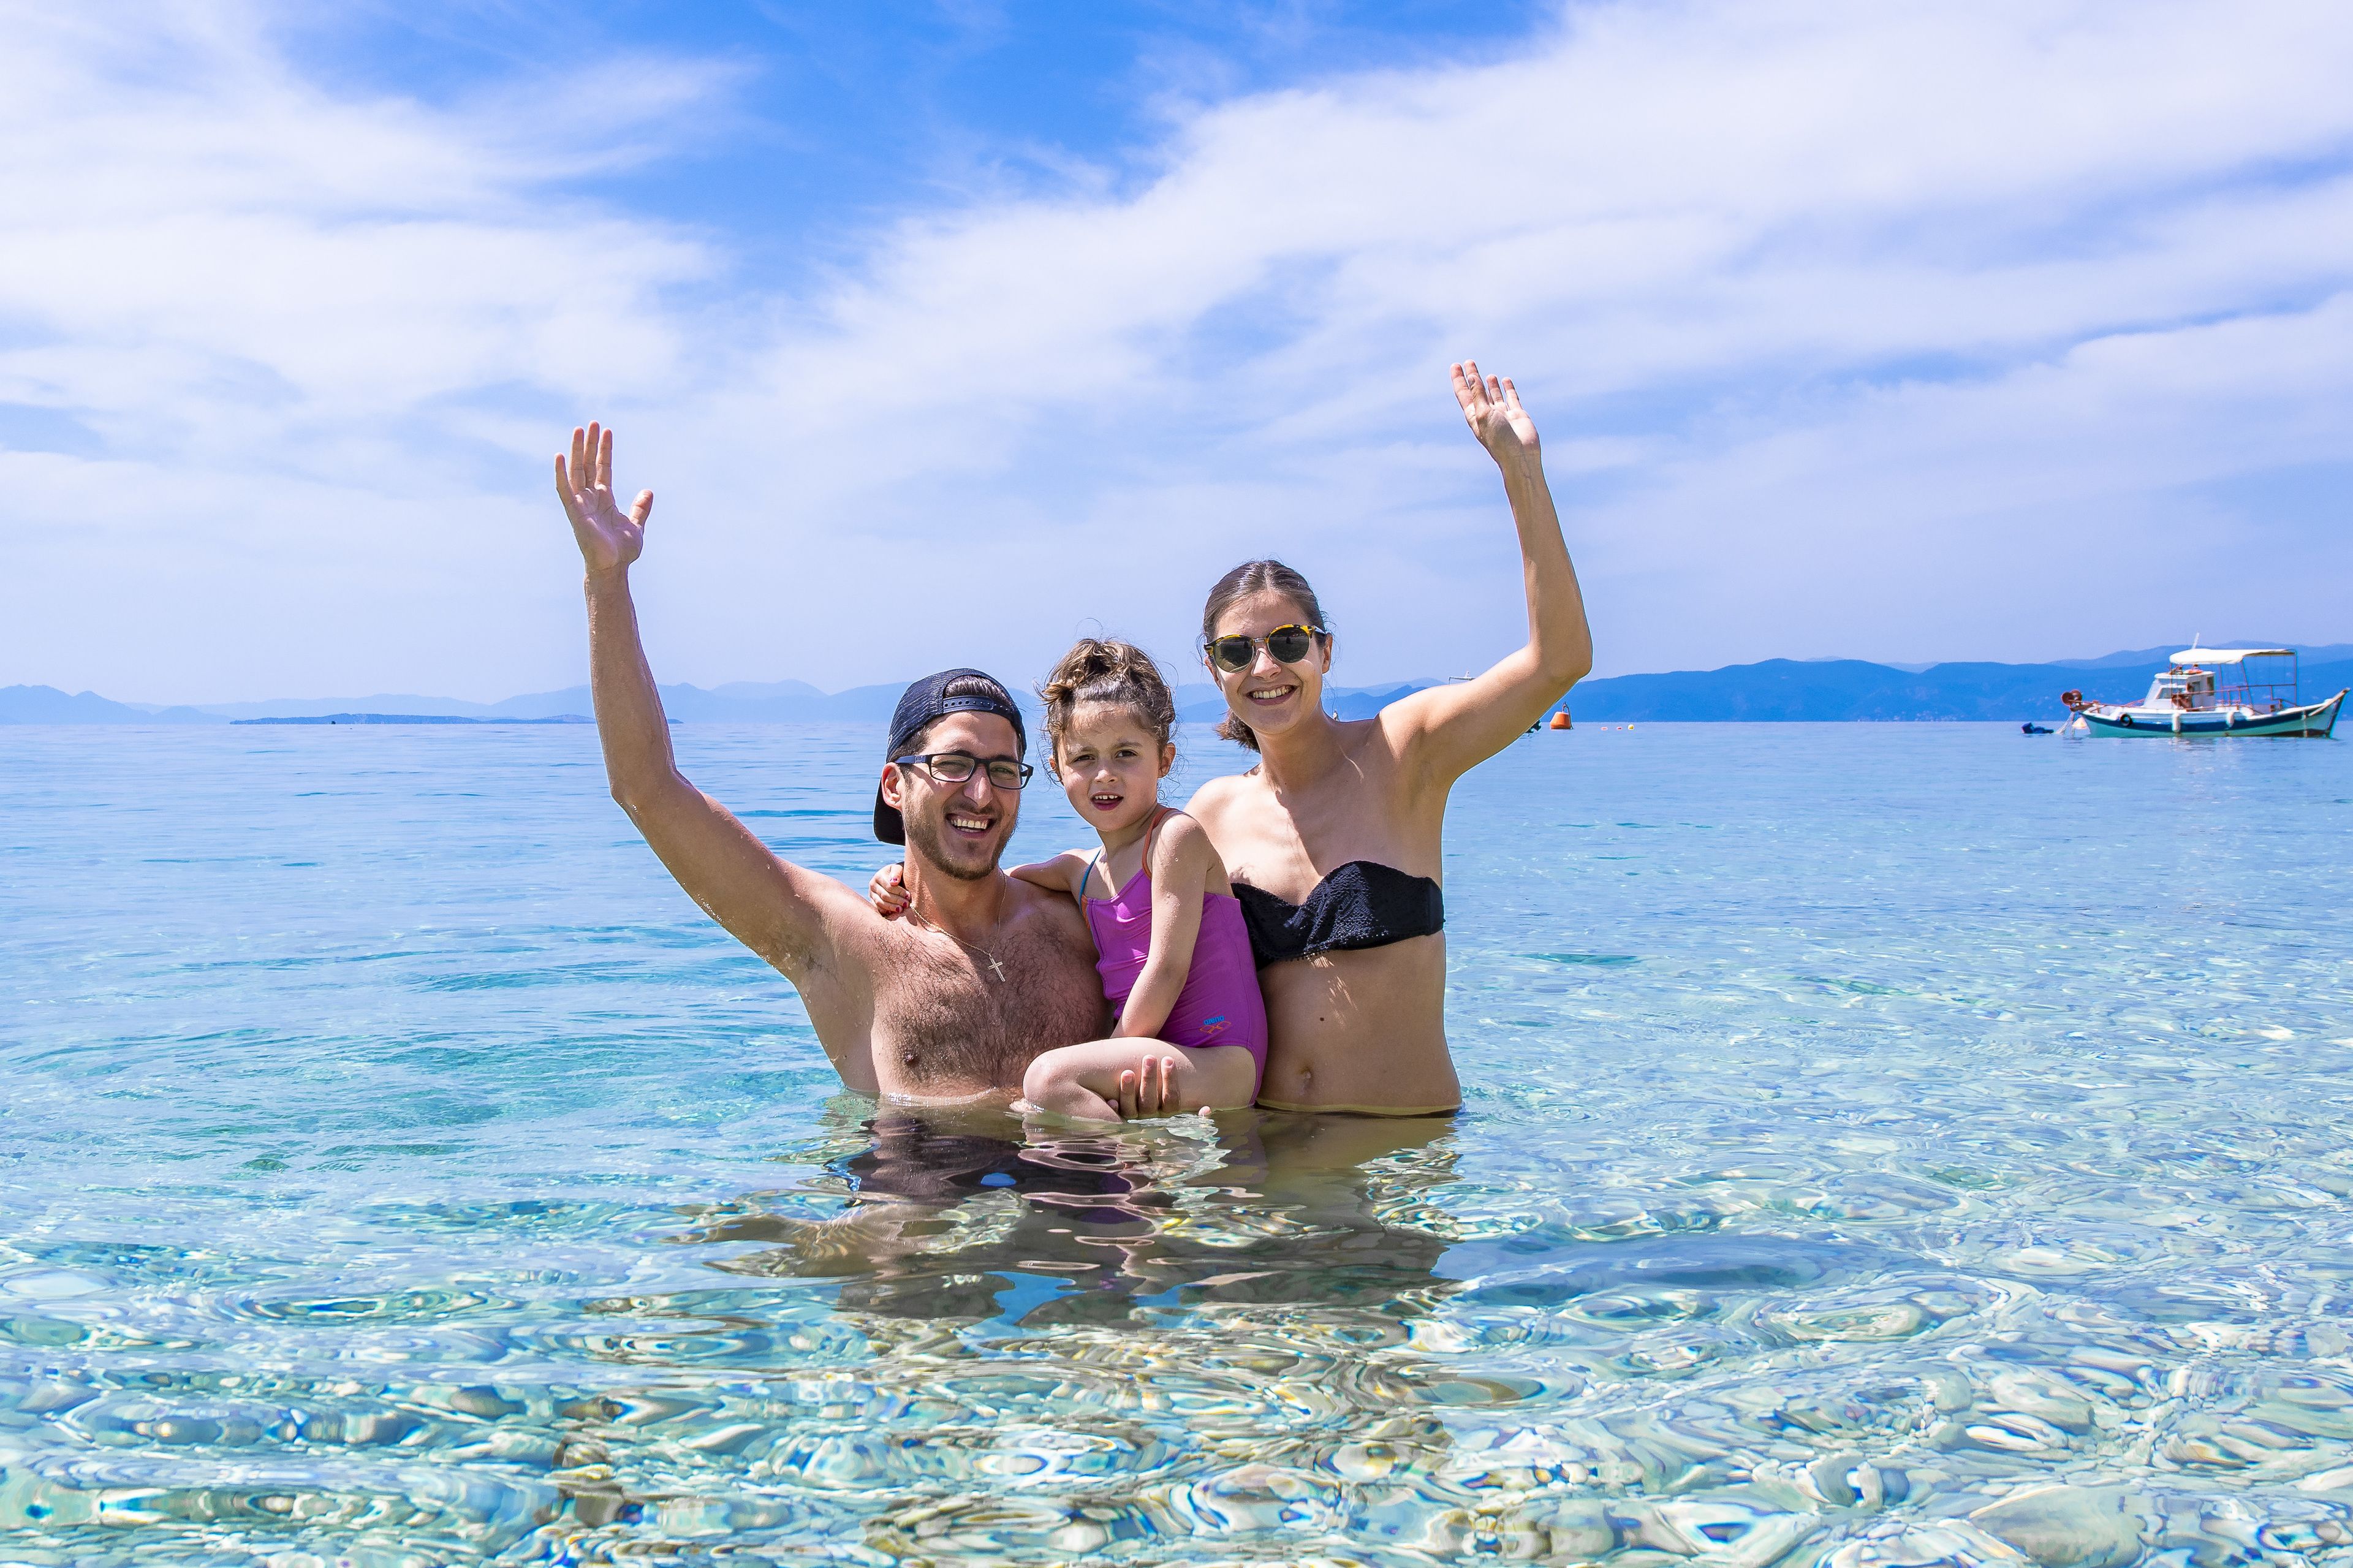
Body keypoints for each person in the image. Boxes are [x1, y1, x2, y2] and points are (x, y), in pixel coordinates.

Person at [555, 422, 1127, 1104]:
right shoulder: (839, 943)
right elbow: (647, 788)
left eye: (1005, 771)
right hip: (910, 1200)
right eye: (954, 764)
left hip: (1068, 1199)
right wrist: (607, 580)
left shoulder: (1082, 920)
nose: (982, 792)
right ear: (894, 784)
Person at [1184, 362, 1592, 1115]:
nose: (1265, 668)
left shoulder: (1407, 751)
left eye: (1288, 642)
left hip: (1399, 1158)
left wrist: (1519, 473)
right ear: (1214, 672)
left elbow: (1560, 659)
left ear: (1326, 651)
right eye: (1238, 652)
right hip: (1267, 1159)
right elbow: (1109, 896)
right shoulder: (1210, 814)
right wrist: (915, 890)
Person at [869, 638, 1267, 1119]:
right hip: (1167, 1057)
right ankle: (1121, 1174)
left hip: (1222, 1058)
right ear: (1057, 769)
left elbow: (1166, 969)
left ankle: (1131, 1158)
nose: (1105, 775)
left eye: (1126, 753)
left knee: (1047, 1081)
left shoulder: (1173, 838)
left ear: (1164, 760)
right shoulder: (1080, 873)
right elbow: (982, 877)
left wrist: (1113, 1050)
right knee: (1047, 1110)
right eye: (1083, 758)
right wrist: (899, 879)